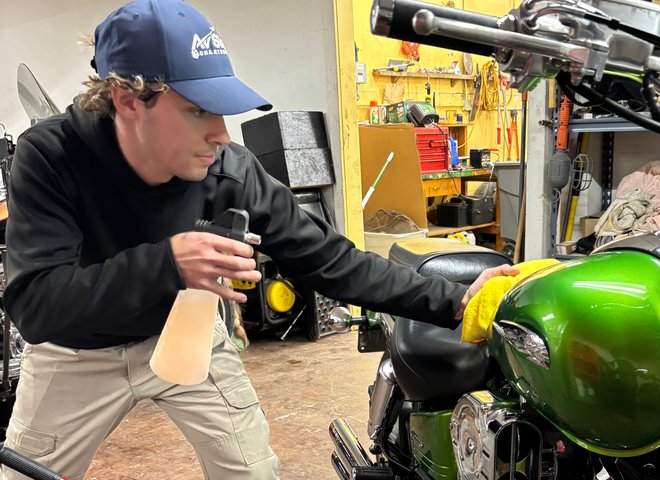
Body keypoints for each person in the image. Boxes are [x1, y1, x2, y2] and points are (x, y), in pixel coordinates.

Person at [1, 0, 517, 478]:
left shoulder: (229, 170)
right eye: (198, 109)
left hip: (186, 334)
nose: (222, 133)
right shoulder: (49, 157)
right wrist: (167, 264)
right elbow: (36, 305)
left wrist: (457, 302)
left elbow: (331, 261)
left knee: (251, 473)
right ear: (128, 99)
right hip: (76, 351)